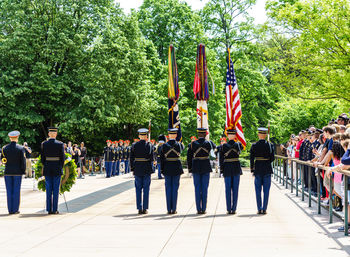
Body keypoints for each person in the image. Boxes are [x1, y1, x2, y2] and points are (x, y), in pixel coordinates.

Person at [187, 128, 216, 214]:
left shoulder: (192, 144)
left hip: (196, 167)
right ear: (205, 134)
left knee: (197, 188)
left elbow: (189, 158)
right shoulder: (209, 143)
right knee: (205, 188)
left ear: (198, 134)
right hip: (206, 166)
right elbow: (215, 148)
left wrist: (190, 169)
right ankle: (204, 208)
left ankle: (198, 209)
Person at [250, 127, 275, 215]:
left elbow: (251, 158)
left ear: (258, 135)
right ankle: (264, 208)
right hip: (267, 169)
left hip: (257, 169)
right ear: (265, 135)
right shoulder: (270, 145)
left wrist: (252, 169)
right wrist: (267, 160)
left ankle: (259, 208)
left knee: (258, 190)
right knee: (266, 190)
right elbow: (273, 158)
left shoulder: (254, 145)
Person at [130, 128, 154, 214]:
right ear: (146, 136)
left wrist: (132, 168)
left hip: (137, 168)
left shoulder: (134, 145)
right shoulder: (149, 145)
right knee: (146, 189)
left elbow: (131, 158)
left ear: (139, 136)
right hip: (147, 168)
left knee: (138, 189)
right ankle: (145, 208)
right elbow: (151, 158)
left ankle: (139, 208)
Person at [41, 127, 65, 214]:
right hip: (57, 168)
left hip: (47, 167)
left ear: (49, 134)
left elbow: (42, 158)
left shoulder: (44, 144)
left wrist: (46, 164)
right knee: (55, 190)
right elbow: (62, 158)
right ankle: (55, 209)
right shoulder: (60, 144)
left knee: (48, 190)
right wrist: (60, 166)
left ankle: (49, 209)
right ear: (56, 134)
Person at [1, 131, 26, 214]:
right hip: (17, 172)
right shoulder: (21, 148)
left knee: (9, 191)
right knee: (16, 190)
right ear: (17, 138)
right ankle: (15, 209)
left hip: (8, 172)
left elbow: (3, 160)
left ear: (10, 138)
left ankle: (10, 210)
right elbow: (23, 162)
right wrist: (23, 171)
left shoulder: (4, 148)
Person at [160, 128, 184, 214]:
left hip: (167, 168)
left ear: (169, 135)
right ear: (176, 135)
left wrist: (162, 170)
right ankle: (174, 209)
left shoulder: (164, 146)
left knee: (168, 189)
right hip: (176, 168)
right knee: (175, 189)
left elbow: (162, 159)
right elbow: (183, 148)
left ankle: (168, 209)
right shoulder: (179, 145)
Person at [219, 129, 243, 214]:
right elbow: (242, 148)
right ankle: (234, 208)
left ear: (228, 136)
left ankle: (229, 209)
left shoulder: (223, 146)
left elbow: (221, 159)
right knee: (235, 189)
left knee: (228, 189)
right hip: (236, 167)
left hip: (227, 168)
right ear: (235, 136)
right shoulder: (238, 145)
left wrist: (221, 170)